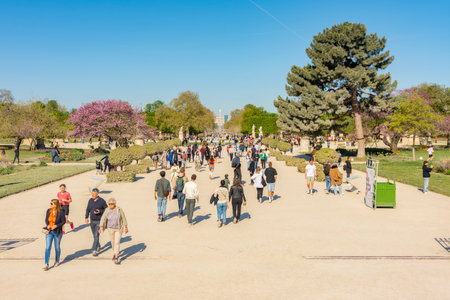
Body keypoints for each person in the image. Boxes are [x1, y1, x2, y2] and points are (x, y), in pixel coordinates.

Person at [99, 198, 128, 264]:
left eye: (112, 204)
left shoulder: (119, 209)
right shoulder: (107, 210)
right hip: (110, 228)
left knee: (117, 242)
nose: (110, 205)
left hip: (118, 228)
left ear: (114, 204)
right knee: (113, 242)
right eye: (109, 204)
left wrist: (125, 227)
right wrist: (100, 227)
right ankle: (115, 252)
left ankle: (116, 256)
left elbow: (123, 218)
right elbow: (103, 218)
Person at [43, 199, 66, 271]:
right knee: (47, 247)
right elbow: (46, 220)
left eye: (51, 204)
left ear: (56, 205)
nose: (50, 205)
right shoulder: (48, 211)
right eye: (50, 203)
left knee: (57, 247)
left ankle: (57, 261)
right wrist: (47, 225)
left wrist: (56, 225)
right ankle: (46, 263)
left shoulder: (60, 212)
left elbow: (63, 221)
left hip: (57, 232)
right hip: (49, 232)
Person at [85, 188, 107, 256]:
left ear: (97, 194)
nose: (92, 195)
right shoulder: (90, 200)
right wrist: (86, 217)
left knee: (96, 235)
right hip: (92, 220)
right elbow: (87, 209)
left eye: (94, 194)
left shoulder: (102, 201)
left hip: (99, 221)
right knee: (94, 236)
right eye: (92, 193)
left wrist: (99, 211)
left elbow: (106, 209)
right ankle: (98, 246)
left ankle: (94, 250)